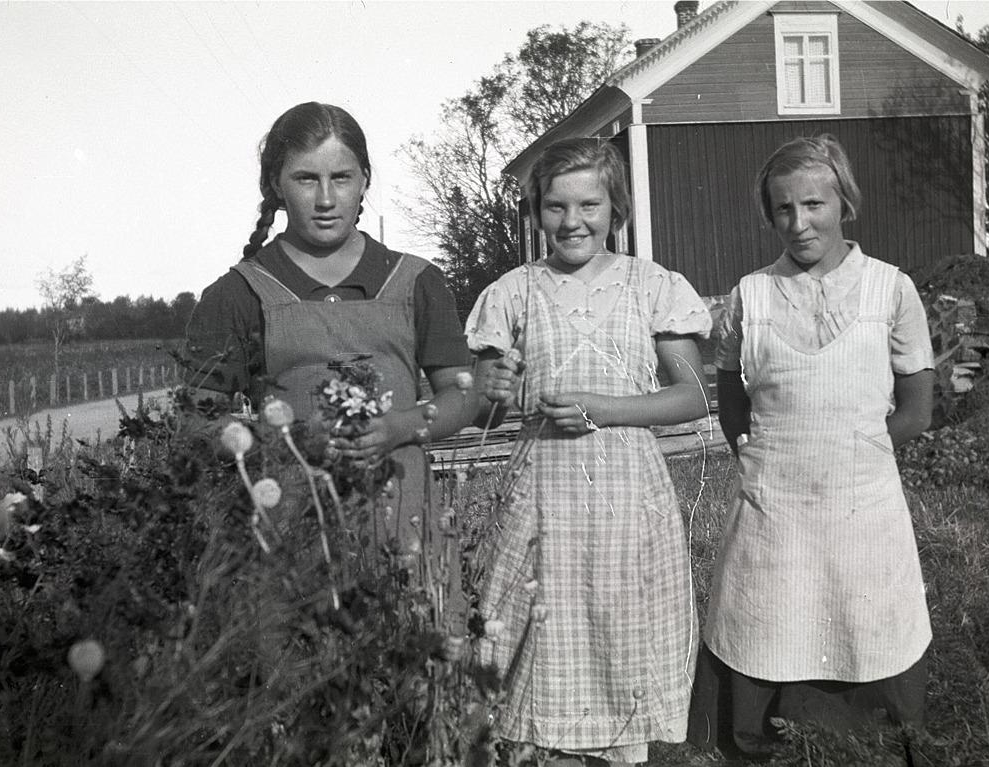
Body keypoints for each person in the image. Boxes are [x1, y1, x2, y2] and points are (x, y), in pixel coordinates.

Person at [687, 134, 935, 758]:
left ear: (844, 202)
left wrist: (860, 452)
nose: (799, 224)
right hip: (776, 512)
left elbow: (917, 407)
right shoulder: (752, 296)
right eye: (782, 210)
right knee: (766, 628)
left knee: (865, 628)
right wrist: (758, 451)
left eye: (814, 205)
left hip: (864, 509)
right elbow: (728, 382)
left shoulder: (890, 290)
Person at [467, 137, 712, 767]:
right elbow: (488, 403)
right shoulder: (513, 292)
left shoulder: (653, 285)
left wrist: (604, 409)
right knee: (537, 640)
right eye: (555, 206)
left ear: (616, 207)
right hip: (542, 498)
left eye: (589, 205)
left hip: (628, 500)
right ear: (536, 211)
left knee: (620, 634)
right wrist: (493, 388)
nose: (572, 221)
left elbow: (689, 399)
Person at [182, 101, 478, 603]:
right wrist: (285, 441)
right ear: (275, 184)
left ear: (364, 180)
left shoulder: (417, 282)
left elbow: (465, 396)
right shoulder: (237, 294)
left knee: (412, 660)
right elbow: (194, 421)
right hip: (292, 527)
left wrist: (398, 427)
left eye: (341, 178)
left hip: (403, 518)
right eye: (304, 179)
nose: (325, 199)